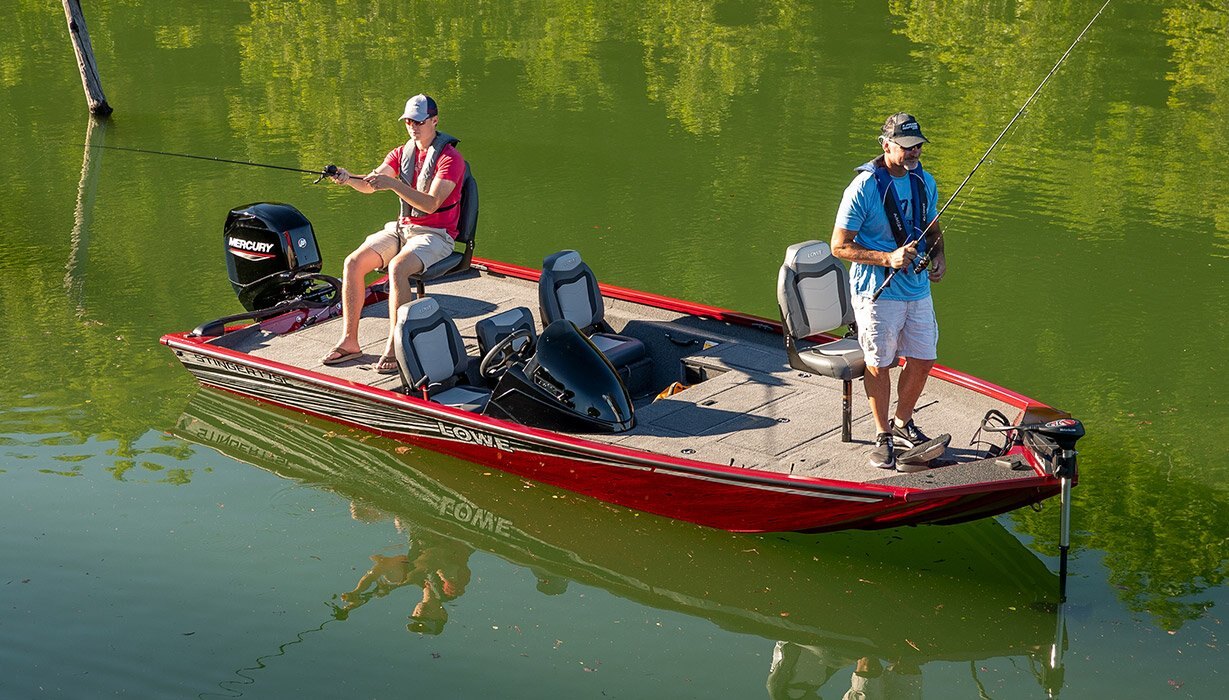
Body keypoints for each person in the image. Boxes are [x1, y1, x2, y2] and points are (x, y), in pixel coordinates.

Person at [831, 113, 946, 471]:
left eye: (918, 145)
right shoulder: (863, 187)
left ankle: (902, 422)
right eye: (907, 146)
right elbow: (839, 246)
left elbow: (933, 230)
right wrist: (886, 257)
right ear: (885, 145)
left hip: (917, 288)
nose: (914, 152)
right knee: (880, 363)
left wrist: (939, 256)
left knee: (924, 358)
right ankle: (883, 436)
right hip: (876, 291)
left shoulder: (925, 181)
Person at [321, 93, 466, 373]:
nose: (413, 127)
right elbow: (370, 184)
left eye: (419, 121)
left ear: (435, 121)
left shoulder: (450, 159)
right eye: (409, 121)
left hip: (436, 235)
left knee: (398, 267)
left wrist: (394, 184)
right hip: (402, 229)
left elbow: (430, 203)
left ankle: (395, 346)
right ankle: (350, 342)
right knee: (353, 263)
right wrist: (348, 178)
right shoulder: (401, 153)